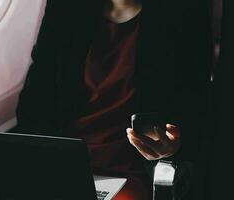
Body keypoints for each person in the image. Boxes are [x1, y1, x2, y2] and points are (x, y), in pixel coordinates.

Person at [15, 0, 212, 199]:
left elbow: (195, 109)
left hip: (133, 170)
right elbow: (32, 106)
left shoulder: (184, 11)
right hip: (63, 162)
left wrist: (173, 148)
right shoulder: (66, 6)